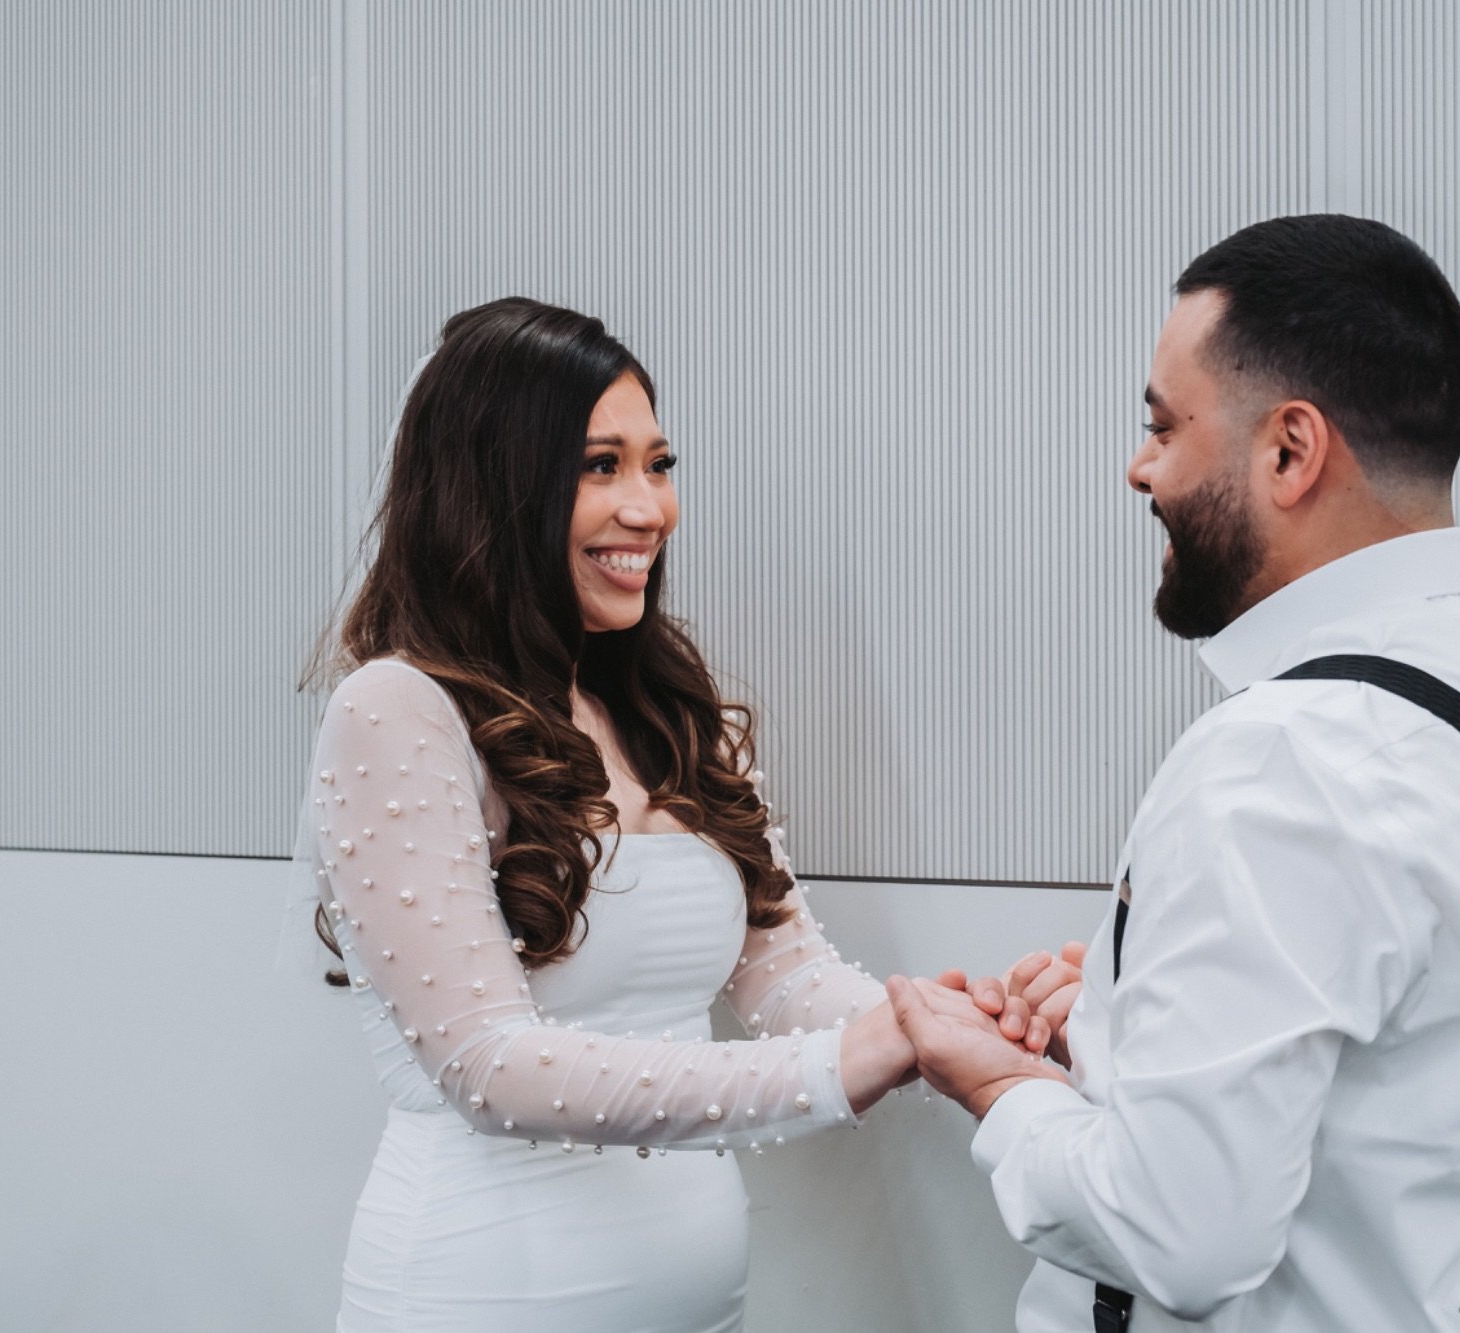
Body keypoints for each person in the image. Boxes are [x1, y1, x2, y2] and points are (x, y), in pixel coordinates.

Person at [888, 215, 1460, 1333]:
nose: (1140, 467)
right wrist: (1133, 1031)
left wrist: (1002, 1089)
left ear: (1290, 451)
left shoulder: (1282, 756)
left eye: (1162, 426)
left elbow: (1177, 1238)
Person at [296, 297, 1065, 1332]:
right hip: (481, 1293)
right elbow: (487, 1065)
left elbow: (786, 979)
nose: (648, 508)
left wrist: (950, 1022)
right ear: (496, 488)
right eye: (599, 467)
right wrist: (835, 1069)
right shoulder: (398, 709)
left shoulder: (670, 710)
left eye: (658, 465)